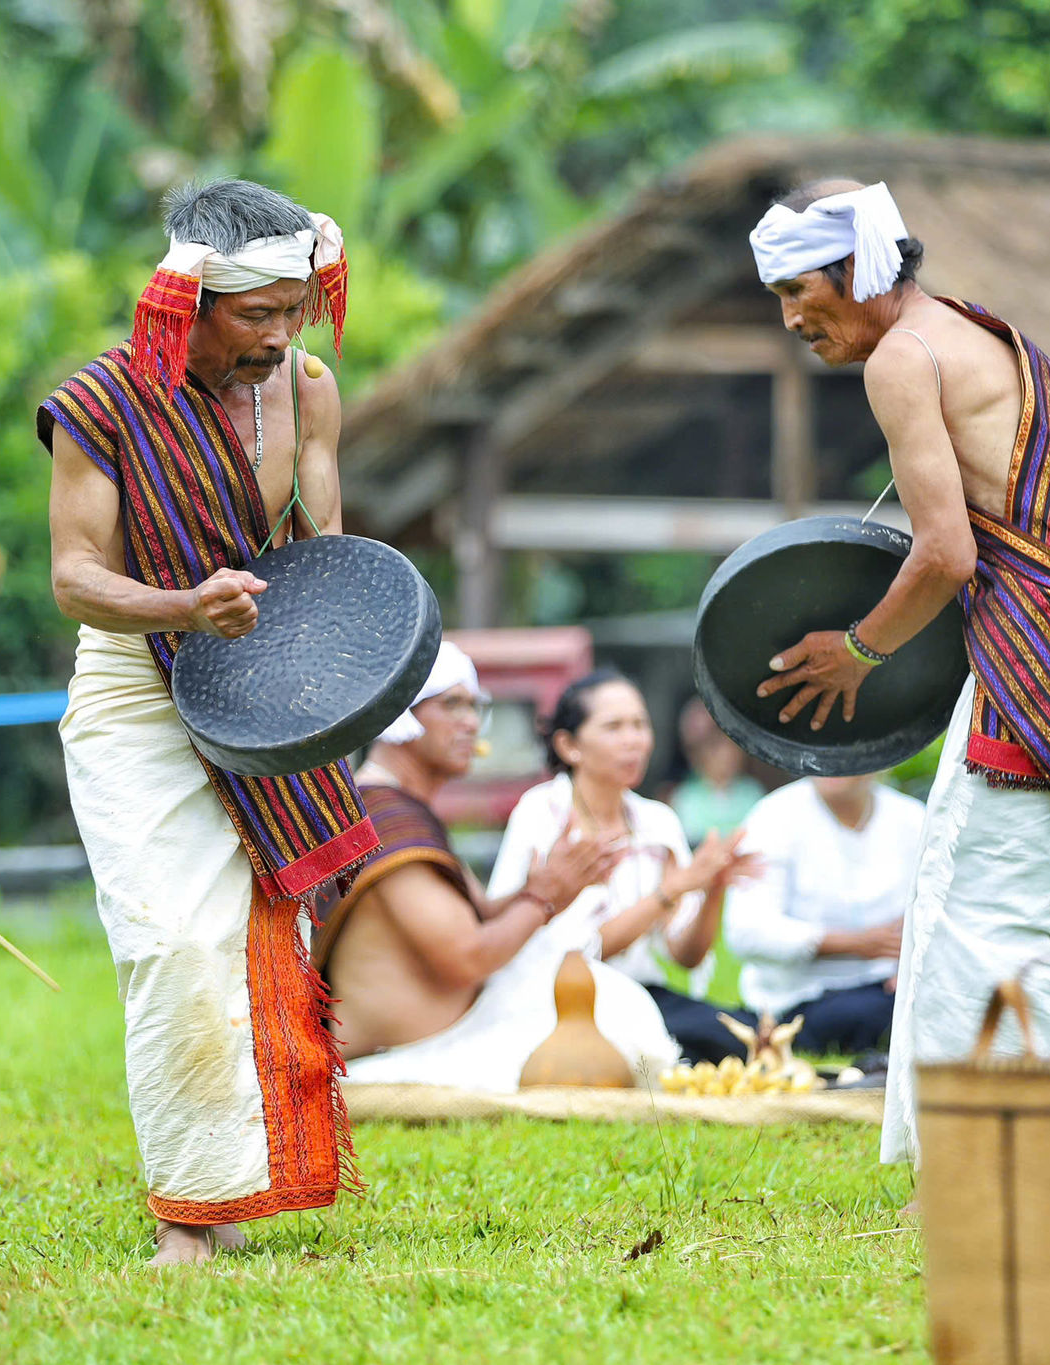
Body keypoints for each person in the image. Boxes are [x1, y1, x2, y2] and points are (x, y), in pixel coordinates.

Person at [746, 180, 1050, 1203]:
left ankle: (970, 1163)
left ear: (854, 270)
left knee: (968, 909)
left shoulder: (903, 358)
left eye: (795, 291)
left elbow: (946, 555)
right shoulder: (974, 330)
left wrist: (856, 652)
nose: (789, 320)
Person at [42, 178, 366, 1266]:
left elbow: (323, 546)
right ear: (190, 299)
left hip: (258, 678)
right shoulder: (102, 406)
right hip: (134, 685)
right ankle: (189, 1213)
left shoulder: (306, 391)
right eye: (257, 314)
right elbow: (74, 579)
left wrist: (343, 668)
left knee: (255, 934)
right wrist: (186, 606)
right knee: (169, 940)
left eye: (294, 311)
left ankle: (238, 1191)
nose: (279, 336)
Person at [313, 644, 679, 1088]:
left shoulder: (398, 808)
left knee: (617, 1003)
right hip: (412, 1057)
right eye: (452, 704)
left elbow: (482, 913)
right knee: (620, 1021)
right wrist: (544, 899)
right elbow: (470, 957)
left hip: (458, 1033)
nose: (471, 722)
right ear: (398, 711)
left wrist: (551, 884)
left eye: (474, 706)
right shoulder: (383, 818)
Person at [487, 670, 762, 1064]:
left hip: (641, 994)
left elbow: (685, 955)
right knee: (668, 1045)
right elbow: (578, 955)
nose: (634, 740)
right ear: (568, 745)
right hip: (560, 998)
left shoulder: (657, 821)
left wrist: (713, 887)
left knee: (740, 1033)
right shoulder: (541, 813)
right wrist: (671, 891)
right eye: (614, 727)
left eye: (639, 724)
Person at [721, 773, 924, 1056]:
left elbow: (942, 908)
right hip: (801, 1000)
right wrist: (855, 944)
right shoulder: (774, 815)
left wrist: (913, 962)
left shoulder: (912, 818)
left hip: (895, 989)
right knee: (866, 1013)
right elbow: (746, 931)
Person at [669, 698, 766, 845]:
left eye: (733, 748)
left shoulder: (752, 792)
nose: (727, 757)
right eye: (716, 749)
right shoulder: (685, 796)